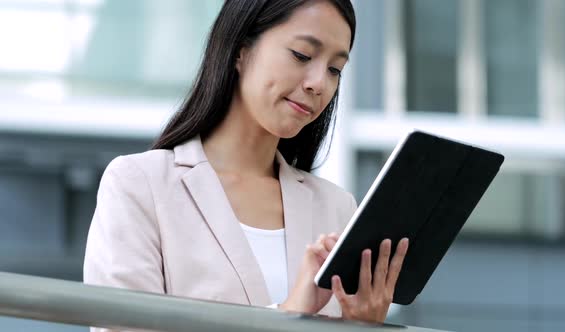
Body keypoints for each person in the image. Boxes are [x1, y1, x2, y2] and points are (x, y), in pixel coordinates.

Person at [83, 0, 408, 329]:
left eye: (334, 69)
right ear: (240, 51)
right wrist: (289, 314)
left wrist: (365, 327)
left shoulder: (337, 208)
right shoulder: (140, 185)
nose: (319, 83)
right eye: (302, 55)